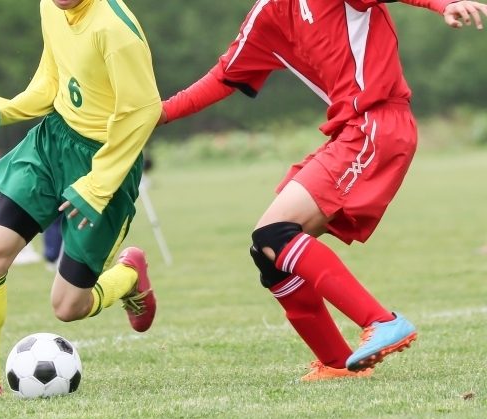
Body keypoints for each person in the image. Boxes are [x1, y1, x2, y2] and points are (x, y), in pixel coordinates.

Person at [159, 0, 487, 381]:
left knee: (275, 234)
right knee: (267, 250)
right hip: (351, 131)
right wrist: (161, 113)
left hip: (376, 124)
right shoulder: (269, 13)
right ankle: (335, 363)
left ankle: (382, 321)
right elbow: (225, 76)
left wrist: (443, 5)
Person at [0, 0, 162, 403]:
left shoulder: (114, 29)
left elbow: (143, 111)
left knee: (67, 306)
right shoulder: (51, 7)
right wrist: (8, 109)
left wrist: (96, 183)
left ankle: (129, 274)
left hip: (105, 161)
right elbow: (52, 79)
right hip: (51, 143)